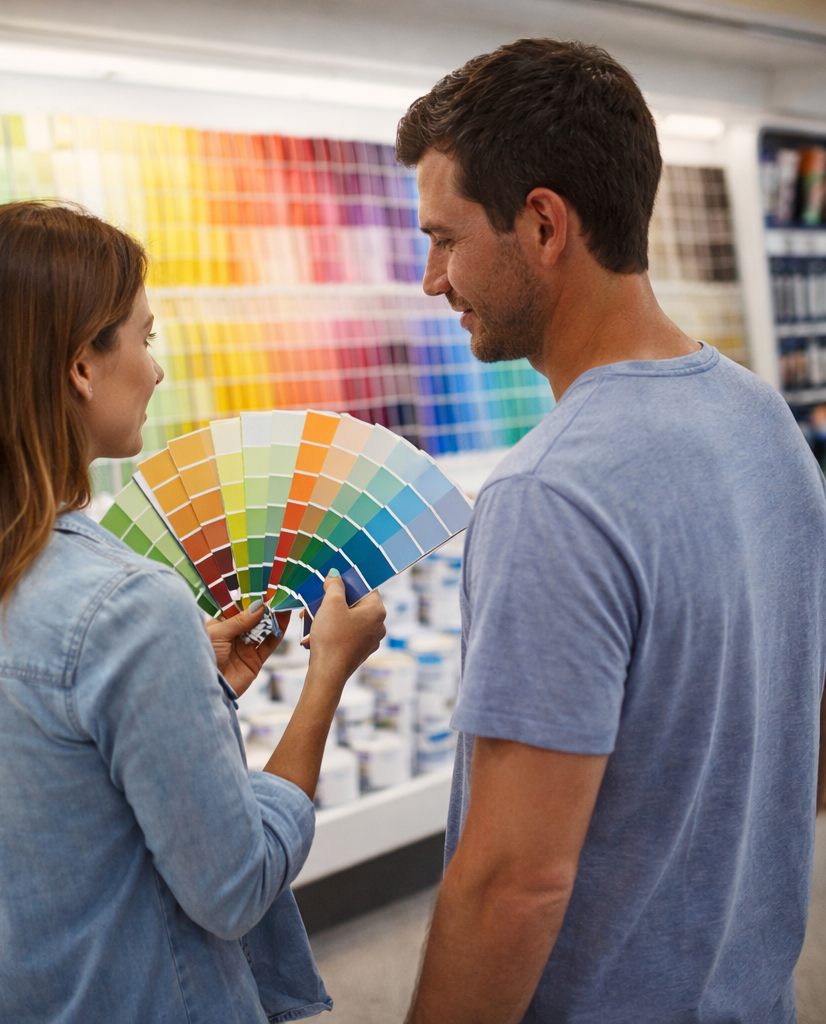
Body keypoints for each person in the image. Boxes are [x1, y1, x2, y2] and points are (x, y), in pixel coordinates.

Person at [0, 201, 386, 1024]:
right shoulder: (126, 606)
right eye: (145, 337)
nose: (156, 369)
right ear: (81, 368)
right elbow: (235, 886)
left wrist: (188, 683)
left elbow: (24, 792)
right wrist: (327, 678)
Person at [395, 39, 826, 1024]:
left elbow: (514, 882)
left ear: (543, 224)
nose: (432, 277)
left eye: (446, 238)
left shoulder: (550, 493)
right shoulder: (763, 420)